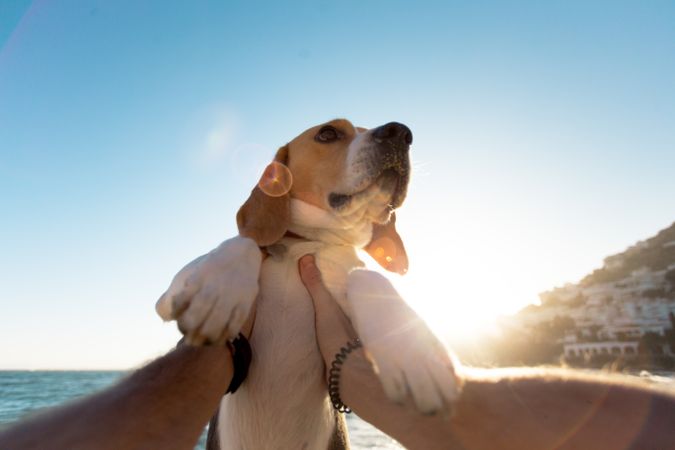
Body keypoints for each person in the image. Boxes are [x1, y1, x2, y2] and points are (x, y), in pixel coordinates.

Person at [1, 255, 674, 449]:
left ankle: (238, 359)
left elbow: (371, 278)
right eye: (330, 135)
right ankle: (227, 357)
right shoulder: (248, 246)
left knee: (187, 370)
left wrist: (379, 302)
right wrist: (239, 255)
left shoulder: (361, 271)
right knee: (197, 361)